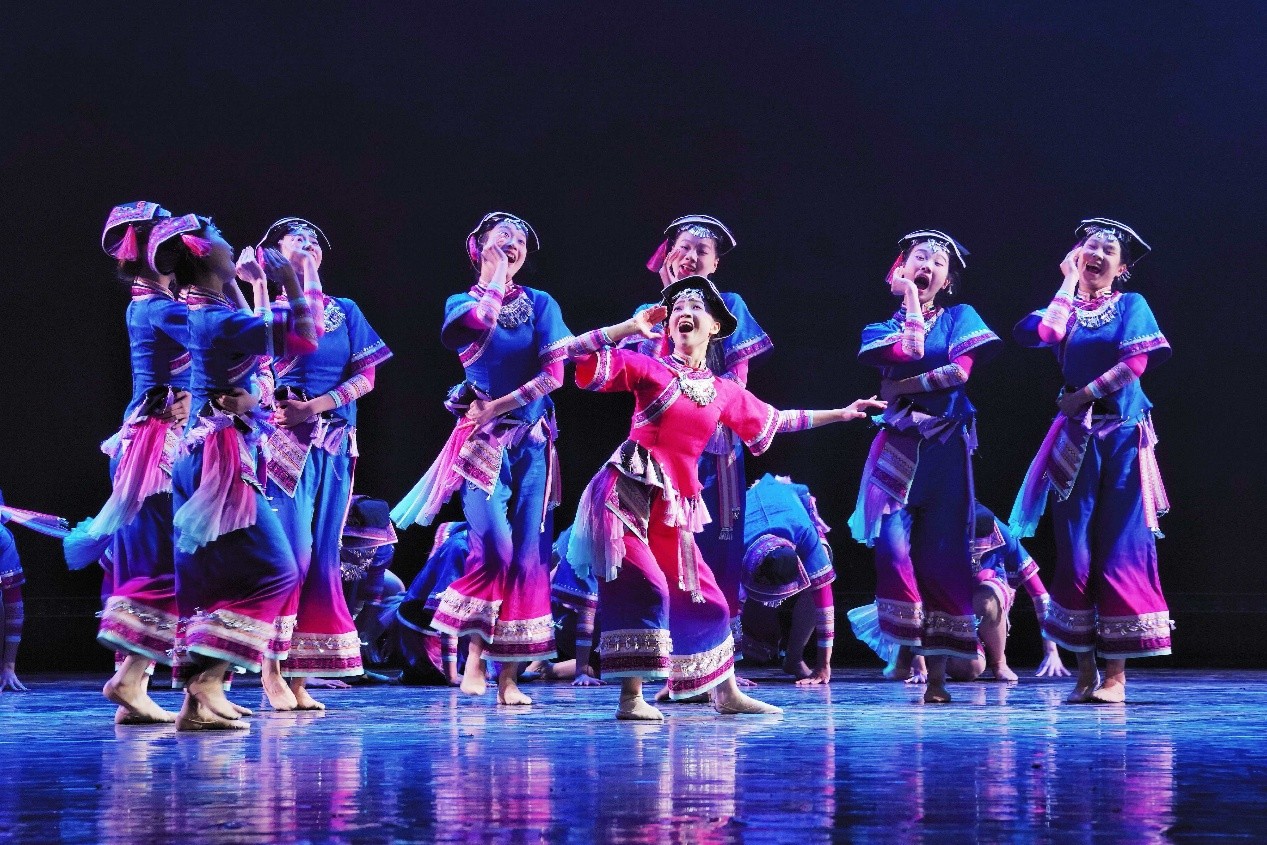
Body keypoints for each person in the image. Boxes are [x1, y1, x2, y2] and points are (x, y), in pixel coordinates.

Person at [565, 277, 883, 719]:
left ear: (714, 327)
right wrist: (627, 329)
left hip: (673, 506)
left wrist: (842, 413)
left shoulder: (722, 391)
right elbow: (573, 353)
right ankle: (630, 698)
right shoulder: (648, 369)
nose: (684, 312)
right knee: (646, 586)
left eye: (696, 307)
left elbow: (778, 419)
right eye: (677, 307)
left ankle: (726, 694)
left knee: (708, 598)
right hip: (627, 495)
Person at [392, 212, 571, 706]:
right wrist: (493, 278)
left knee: (529, 558)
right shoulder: (460, 303)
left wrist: (498, 405)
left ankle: (508, 677)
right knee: (495, 548)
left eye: (521, 240)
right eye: (503, 236)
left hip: (532, 442)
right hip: (483, 445)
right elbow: (477, 326)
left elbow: (554, 375)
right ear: (477, 246)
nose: (514, 243)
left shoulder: (541, 303)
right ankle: (474, 653)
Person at [156, 213, 321, 729]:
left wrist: (241, 287)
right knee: (279, 569)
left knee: (210, 578)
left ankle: (193, 707)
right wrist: (289, 277)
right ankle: (208, 678)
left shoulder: (206, 310)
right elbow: (304, 338)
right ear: (204, 255)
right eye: (222, 238)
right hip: (219, 457)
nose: (232, 242)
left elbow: (247, 359)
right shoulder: (217, 319)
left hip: (203, 448)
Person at [1010, 218, 1172, 704]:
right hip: (1075, 441)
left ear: (1121, 269)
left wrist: (1081, 395)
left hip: (1122, 436)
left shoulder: (1131, 305)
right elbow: (1048, 330)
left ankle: (1116, 677)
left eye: (1108, 251)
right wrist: (1067, 282)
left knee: (1121, 550)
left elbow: (1135, 365)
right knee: (1075, 554)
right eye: (1090, 246)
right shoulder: (1062, 309)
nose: (1097, 254)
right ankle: (1085, 672)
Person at [849, 230, 1001, 703]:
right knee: (892, 553)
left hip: (946, 448)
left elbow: (959, 372)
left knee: (944, 556)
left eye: (938, 262)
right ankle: (907, 650)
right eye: (920, 257)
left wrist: (901, 387)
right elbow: (911, 349)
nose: (928, 265)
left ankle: (936, 678)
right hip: (898, 446)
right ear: (900, 268)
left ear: (948, 281)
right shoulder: (878, 330)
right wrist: (912, 298)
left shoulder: (961, 317)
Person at [64, 202, 193, 724]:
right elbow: (223, 338)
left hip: (156, 438)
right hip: (155, 448)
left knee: (160, 558)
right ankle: (130, 679)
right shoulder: (159, 308)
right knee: (161, 561)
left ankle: (136, 685)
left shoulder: (154, 304)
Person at [257, 217, 392, 710]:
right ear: (274, 253)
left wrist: (314, 407)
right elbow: (256, 369)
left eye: (315, 238)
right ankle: (270, 667)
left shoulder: (345, 310)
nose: (310, 242)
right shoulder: (267, 312)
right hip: (282, 445)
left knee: (322, 558)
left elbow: (366, 378)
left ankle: (301, 674)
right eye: (298, 237)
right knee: (290, 556)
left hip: (334, 443)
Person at [637, 215, 771, 674]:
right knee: (665, 548)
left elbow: (738, 381)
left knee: (719, 549)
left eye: (703, 251)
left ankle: (720, 667)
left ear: (715, 264)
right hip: (664, 451)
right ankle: (668, 659)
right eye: (685, 247)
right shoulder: (649, 313)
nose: (692, 256)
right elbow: (651, 376)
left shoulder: (729, 306)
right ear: (669, 254)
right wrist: (665, 307)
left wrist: (704, 412)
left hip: (716, 444)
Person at [737, 474, 837, 685]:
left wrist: (823, 666)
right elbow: (726, 610)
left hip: (790, 505)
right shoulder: (736, 546)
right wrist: (726, 675)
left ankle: (794, 657)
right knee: (736, 603)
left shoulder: (804, 534)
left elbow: (824, 599)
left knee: (822, 568)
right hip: (752, 509)